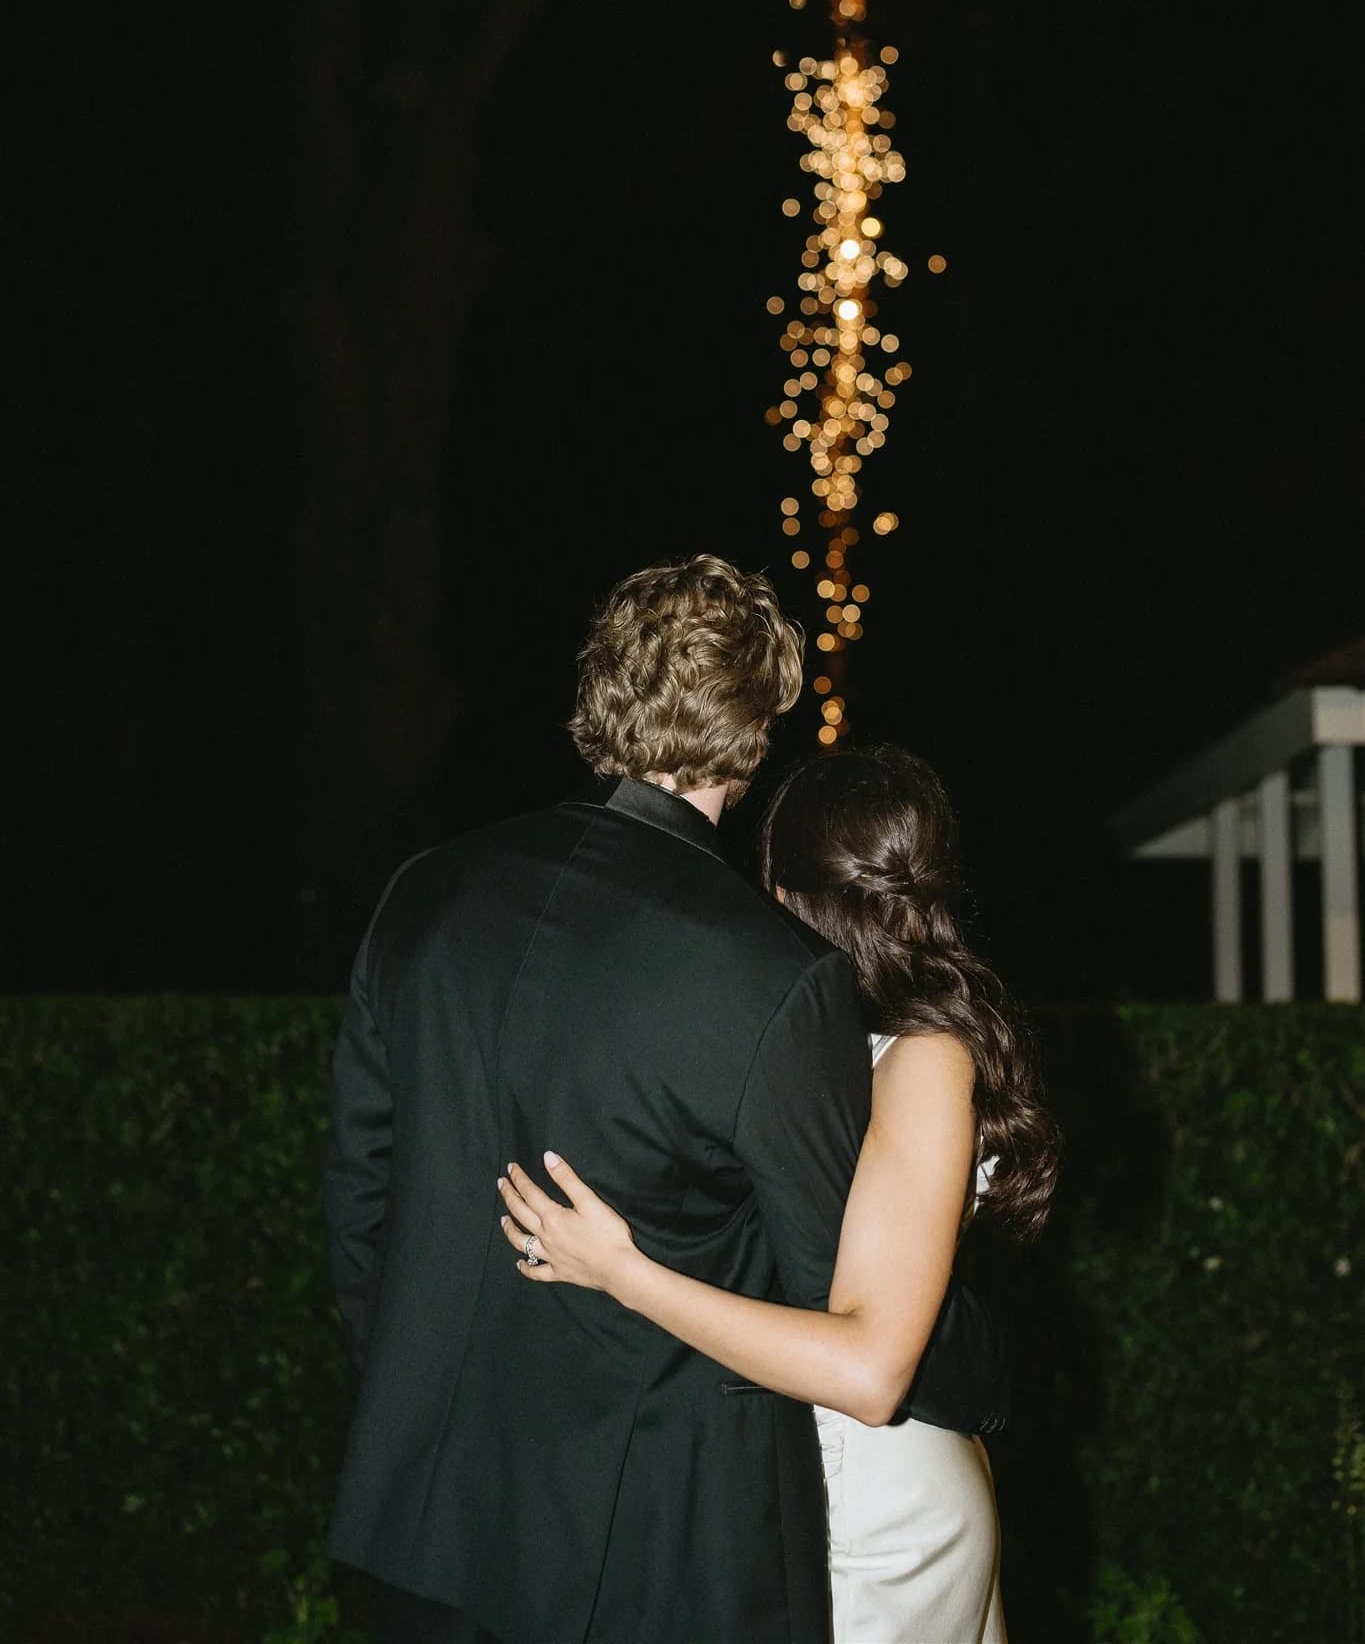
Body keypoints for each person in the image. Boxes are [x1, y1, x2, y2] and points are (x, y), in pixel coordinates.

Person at [325, 557, 1005, 1644]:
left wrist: (427, 1394)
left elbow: (361, 1209)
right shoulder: (774, 975)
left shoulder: (424, 894)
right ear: (756, 729)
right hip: (660, 1550)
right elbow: (832, 1279)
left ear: (600, 695)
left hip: (431, 1519)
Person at [497, 743, 1060, 1644]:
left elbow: (869, 1374)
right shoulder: (808, 1052)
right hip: (799, 1485)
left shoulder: (924, 1060)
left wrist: (620, 1271)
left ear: (785, 897)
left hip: (873, 1506)